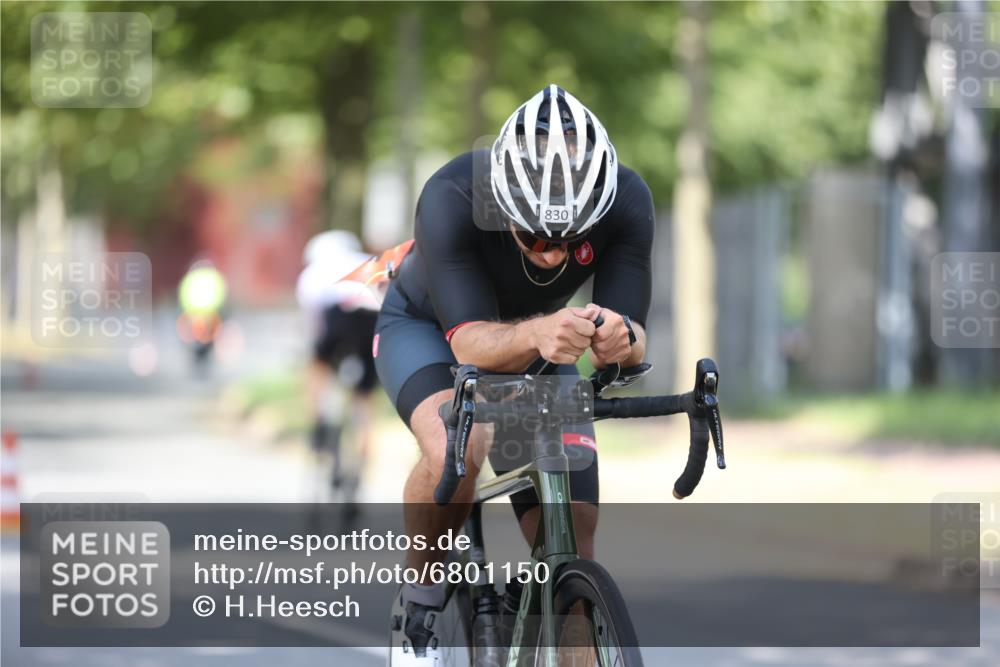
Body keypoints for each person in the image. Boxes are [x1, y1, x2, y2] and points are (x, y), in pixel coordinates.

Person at [376, 85, 653, 661]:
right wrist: (539, 333)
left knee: (572, 534)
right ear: (504, 207)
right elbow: (469, 344)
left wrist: (619, 340)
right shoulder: (454, 193)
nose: (552, 254)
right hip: (428, 330)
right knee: (462, 441)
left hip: (540, 345)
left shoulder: (626, 200)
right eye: (534, 236)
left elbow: (632, 335)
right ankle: (419, 602)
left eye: (570, 240)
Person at [296, 230, 380, 501]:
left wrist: (319, 356)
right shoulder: (369, 263)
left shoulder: (312, 274)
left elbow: (313, 327)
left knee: (317, 366)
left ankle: (318, 422)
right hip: (371, 322)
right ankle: (363, 453)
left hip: (337, 318)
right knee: (363, 400)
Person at [177, 259, 228, 373]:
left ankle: (196, 353)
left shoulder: (191, 277)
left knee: (190, 335)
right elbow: (221, 293)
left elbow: (183, 293)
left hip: (195, 312)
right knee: (211, 334)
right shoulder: (214, 277)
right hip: (208, 312)